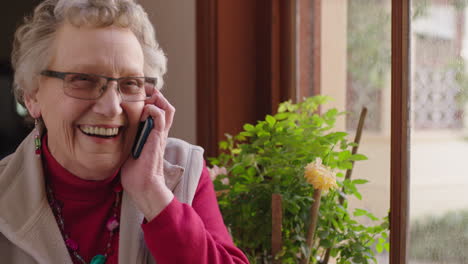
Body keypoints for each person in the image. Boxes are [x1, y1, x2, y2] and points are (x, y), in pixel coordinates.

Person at [0, 0, 249, 263]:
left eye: (130, 83)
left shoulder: (182, 171)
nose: (111, 107)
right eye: (83, 80)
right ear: (32, 96)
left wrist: (152, 194)